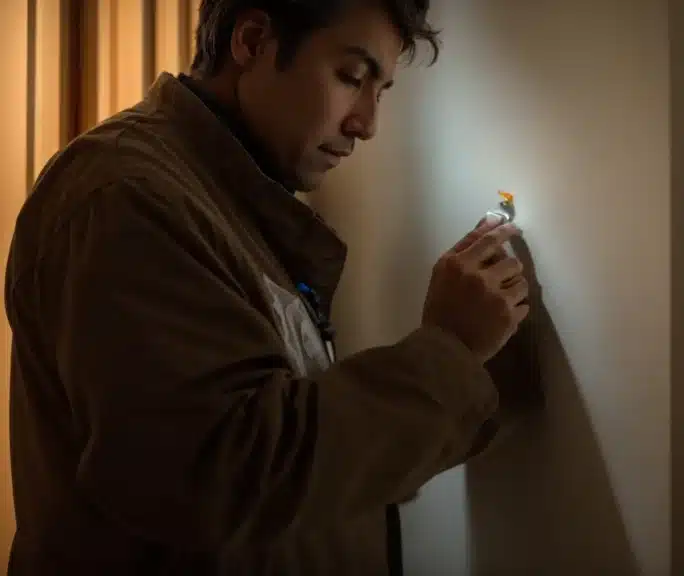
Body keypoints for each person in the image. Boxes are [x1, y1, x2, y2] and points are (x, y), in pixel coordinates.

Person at [4, 0, 545, 573]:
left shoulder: (224, 201)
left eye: (378, 91)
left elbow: (286, 434)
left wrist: (474, 363)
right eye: (351, 77)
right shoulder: (126, 199)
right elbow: (222, 474)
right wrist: (450, 350)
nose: (366, 123)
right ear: (253, 40)